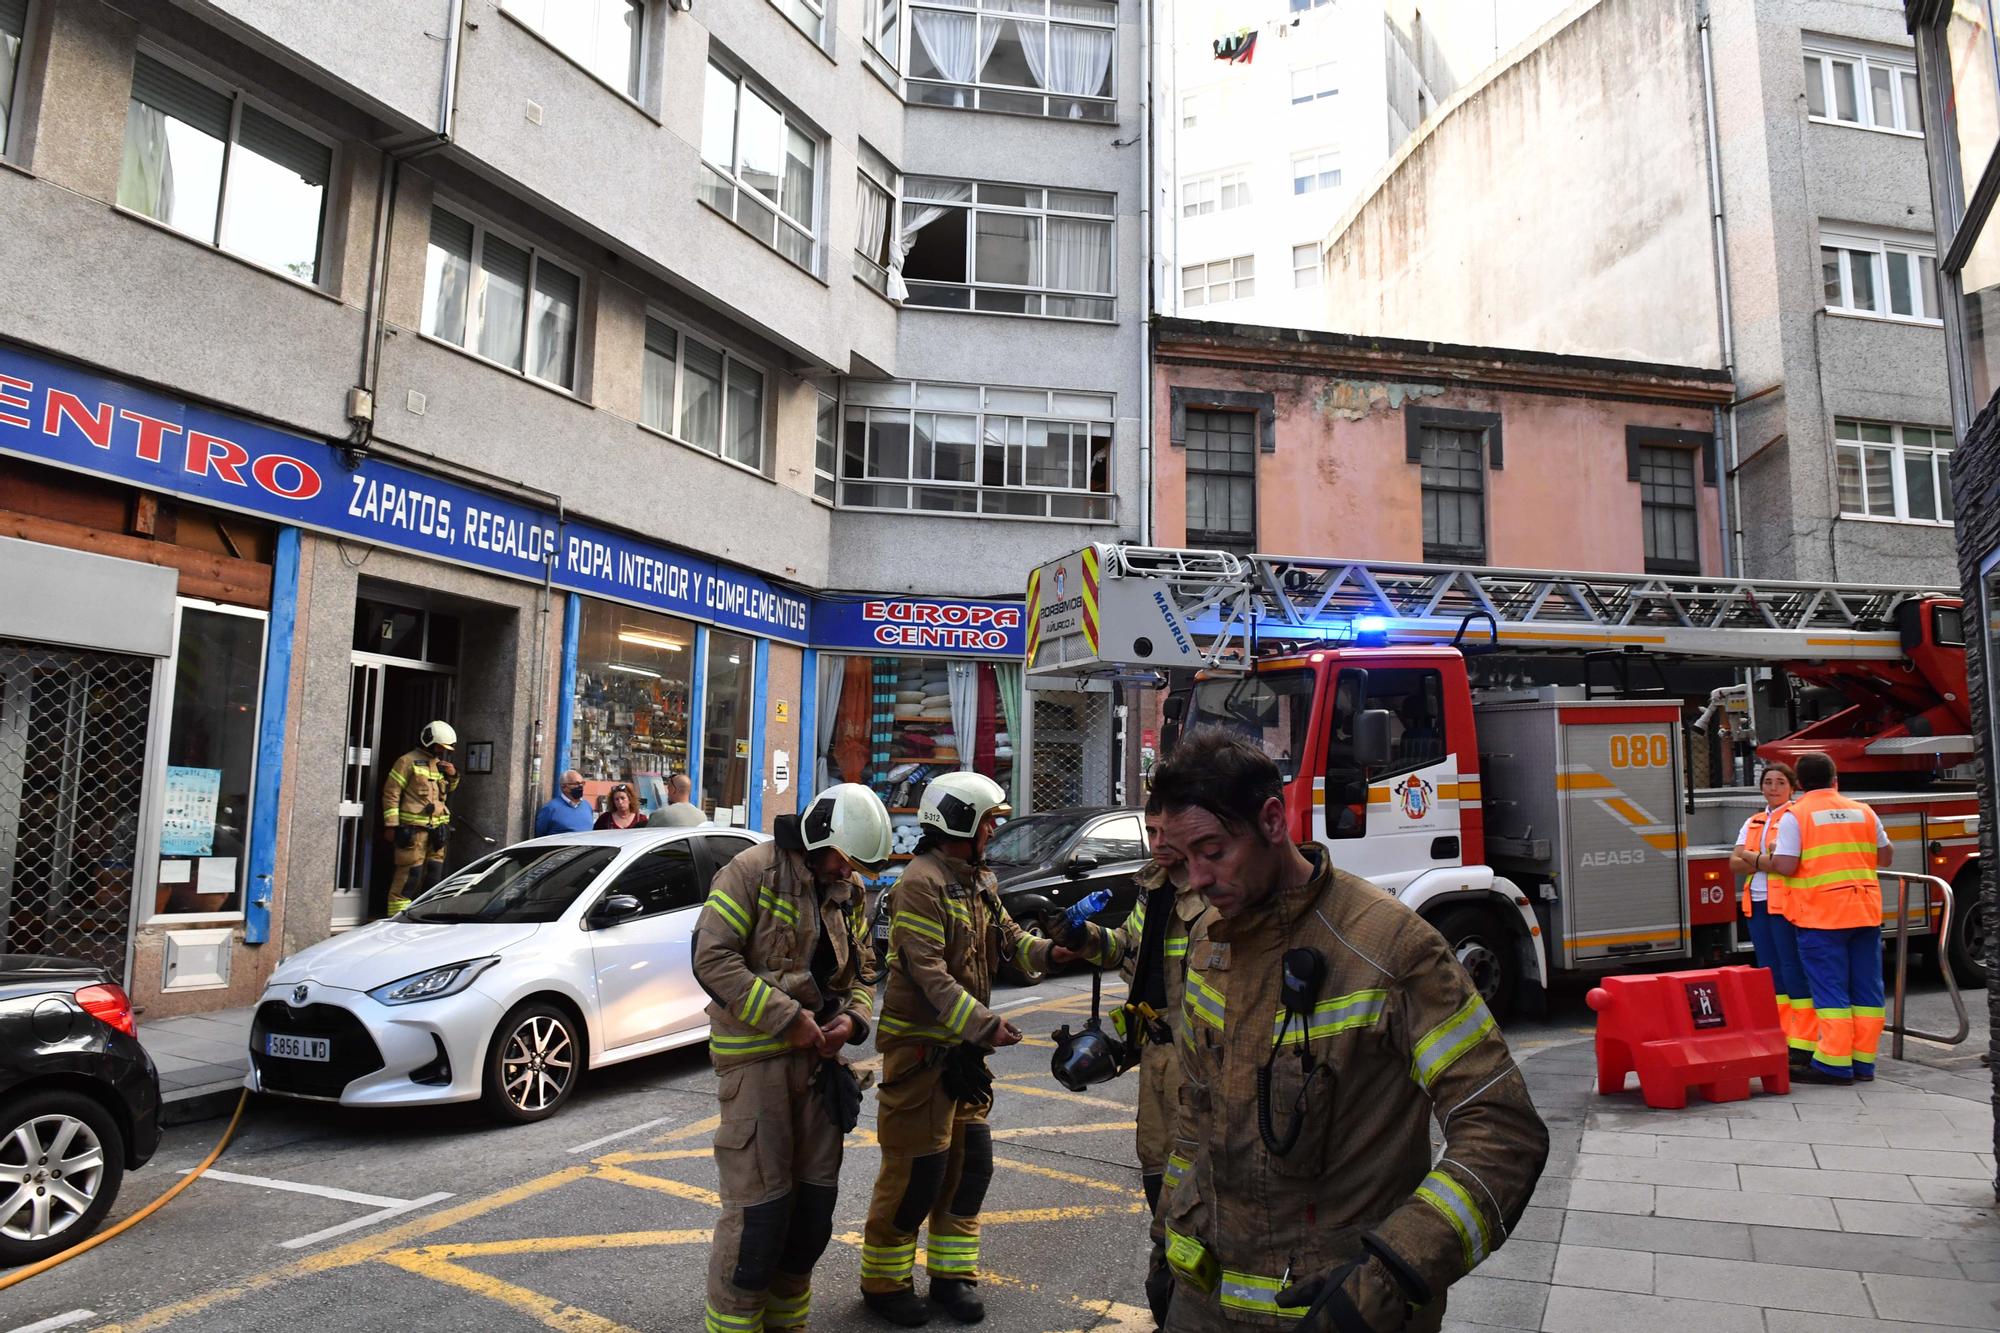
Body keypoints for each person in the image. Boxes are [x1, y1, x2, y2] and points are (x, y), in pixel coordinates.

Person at [1149, 729, 1547, 1333]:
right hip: (1204, 1305)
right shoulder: (1210, 941)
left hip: (1339, 1310)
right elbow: (1193, 1120)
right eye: (1184, 858)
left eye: (1213, 850)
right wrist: (1166, 1244)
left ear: (1272, 820)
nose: (1198, 878)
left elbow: (1502, 1132)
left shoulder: (1392, 948)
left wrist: (1391, 1276)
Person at [861, 771, 1105, 1327]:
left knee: (969, 1168)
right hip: (922, 1053)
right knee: (916, 1175)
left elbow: (1011, 940)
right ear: (959, 822)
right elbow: (926, 973)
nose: (995, 827)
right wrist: (984, 1024)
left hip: (964, 1053)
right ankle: (884, 1282)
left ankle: (951, 1278)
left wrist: (1052, 954)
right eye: (989, 819)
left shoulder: (978, 880)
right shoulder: (917, 884)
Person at [694, 783, 894, 1333]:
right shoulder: (749, 872)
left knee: (811, 1216)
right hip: (756, 1066)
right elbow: (710, 959)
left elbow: (863, 973)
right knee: (759, 1218)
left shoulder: (844, 887)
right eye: (843, 861)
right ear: (819, 838)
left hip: (819, 1068)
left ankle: (787, 1324)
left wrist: (852, 1021)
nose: (846, 874)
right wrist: (791, 1019)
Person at [1065, 800, 1210, 1327]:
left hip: (1192, 1060)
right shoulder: (1154, 886)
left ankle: (1183, 1298)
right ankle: (1172, 1290)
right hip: (1154, 1055)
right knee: (1156, 1171)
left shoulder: (1210, 891)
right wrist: (1081, 934)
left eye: (1164, 829)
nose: (1155, 840)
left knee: (1191, 1184)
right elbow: (1127, 948)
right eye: (1149, 830)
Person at [1765, 750, 1892, 1084]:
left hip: (1821, 915)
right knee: (1867, 990)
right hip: (1864, 910)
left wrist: (1770, 853)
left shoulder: (1797, 814)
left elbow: (1786, 866)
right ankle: (1863, 1062)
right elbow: (1886, 856)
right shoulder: (1863, 811)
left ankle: (1834, 1064)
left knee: (1830, 990)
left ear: (1801, 784)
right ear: (1836, 779)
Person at [1729, 762, 1816, 1065]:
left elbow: (1785, 863)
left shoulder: (1794, 817)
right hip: (1758, 904)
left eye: (1780, 782)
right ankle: (1782, 1036)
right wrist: (1766, 859)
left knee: (1792, 969)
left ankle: (1804, 1041)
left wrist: (1753, 858)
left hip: (1786, 904)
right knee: (1769, 972)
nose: (1773, 788)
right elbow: (1734, 863)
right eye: (1768, 782)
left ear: (1792, 787)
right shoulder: (1753, 820)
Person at [380, 720, 459, 915]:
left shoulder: (439, 765)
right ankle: (396, 918)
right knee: (409, 876)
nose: (442, 751)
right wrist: (391, 825)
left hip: (438, 832)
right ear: (429, 741)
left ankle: (425, 916)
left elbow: (447, 792)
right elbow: (391, 793)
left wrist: (453, 775)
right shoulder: (406, 761)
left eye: (445, 748)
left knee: (434, 877)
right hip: (414, 832)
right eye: (440, 747)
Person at [534, 770, 595, 837]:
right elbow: (540, 837)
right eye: (576, 784)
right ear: (564, 787)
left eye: (582, 783)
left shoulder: (587, 806)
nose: (580, 786)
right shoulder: (550, 809)